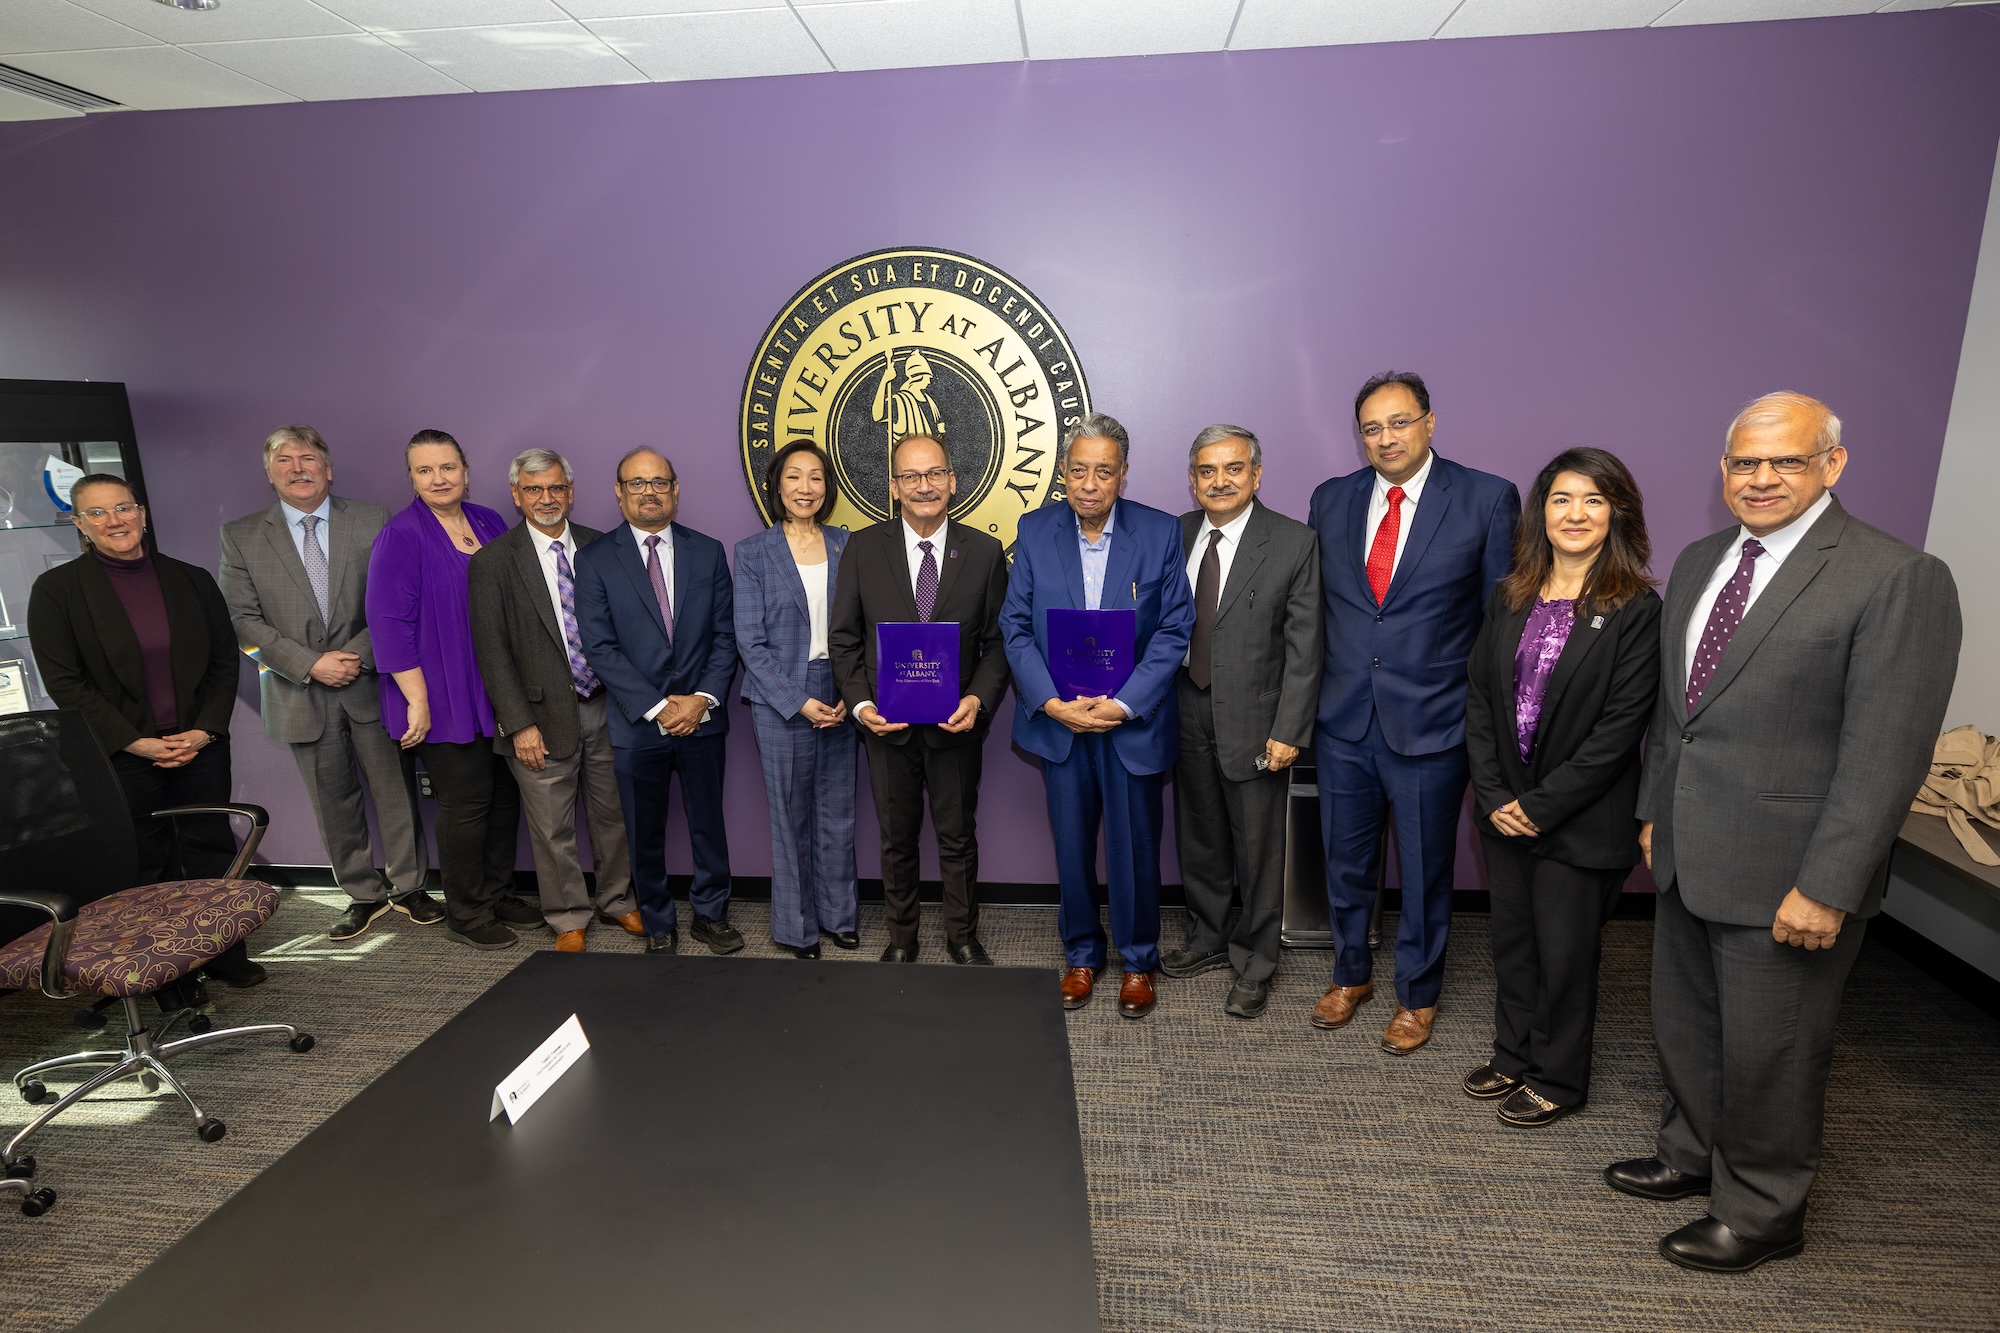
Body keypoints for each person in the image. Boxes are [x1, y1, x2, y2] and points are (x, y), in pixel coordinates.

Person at [1608, 393, 1960, 1273]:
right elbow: (1674, 714)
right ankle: (1693, 1153)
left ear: (1831, 466)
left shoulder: (1894, 576)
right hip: (1689, 848)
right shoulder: (1697, 562)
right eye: (1743, 462)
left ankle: (1763, 1211)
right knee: (1687, 1022)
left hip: (1789, 871)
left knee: (1773, 1046)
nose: (1760, 478)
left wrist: (1831, 883)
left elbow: (1885, 752)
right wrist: (1655, 812)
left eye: (1786, 461)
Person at [1306, 371, 1519, 1054]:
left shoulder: (1486, 499)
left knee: (1426, 869)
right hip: (1344, 720)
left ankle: (1417, 994)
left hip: (1433, 723)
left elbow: (1499, 622)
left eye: (1399, 422)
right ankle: (1351, 973)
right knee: (1345, 863)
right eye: (1372, 427)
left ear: (1429, 422)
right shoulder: (1331, 500)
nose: (1386, 437)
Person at [1462, 448, 1662, 1126]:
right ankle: (1512, 1054)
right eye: (1561, 499)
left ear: (1616, 513)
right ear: (1540, 512)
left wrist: (1541, 805)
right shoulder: (1509, 593)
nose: (1575, 514)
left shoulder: (1636, 609)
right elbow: (1481, 701)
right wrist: (1493, 794)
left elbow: (1619, 729)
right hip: (1505, 811)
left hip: (1580, 819)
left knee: (1566, 953)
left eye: (1593, 500)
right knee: (1514, 941)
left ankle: (1558, 1076)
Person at [27, 473, 263, 990]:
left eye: (123, 507)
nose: (115, 520)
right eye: (97, 513)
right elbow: (66, 682)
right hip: (121, 754)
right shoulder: (58, 591)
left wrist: (203, 731)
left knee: (209, 848)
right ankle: (160, 974)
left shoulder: (191, 579)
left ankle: (223, 952)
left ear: (142, 513)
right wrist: (137, 742)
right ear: (79, 524)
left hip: (198, 745)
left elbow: (225, 662)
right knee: (144, 862)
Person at [1001, 413, 1195, 1017]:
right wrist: (1053, 703)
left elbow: (1173, 629)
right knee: (1072, 845)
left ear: (1123, 476)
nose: (1089, 483)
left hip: (1127, 721)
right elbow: (1015, 625)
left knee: (1136, 848)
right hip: (1060, 721)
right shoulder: (1033, 531)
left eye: (1103, 471)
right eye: (1078, 469)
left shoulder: (1161, 533)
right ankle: (1082, 955)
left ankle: (1139, 961)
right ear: (1062, 473)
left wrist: (1123, 702)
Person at [219, 425, 440, 943]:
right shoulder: (242, 535)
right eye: (285, 460)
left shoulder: (372, 519)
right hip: (297, 691)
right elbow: (240, 623)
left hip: (372, 682)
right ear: (269, 473)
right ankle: (362, 893)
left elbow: (399, 598)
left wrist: (357, 656)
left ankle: (409, 887)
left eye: (309, 458)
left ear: (328, 467)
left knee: (396, 792)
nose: (298, 468)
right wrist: (310, 664)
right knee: (331, 801)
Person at [829, 434, 1011, 964]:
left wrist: (977, 700)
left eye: (933, 474)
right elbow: (843, 639)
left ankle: (962, 935)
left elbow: (998, 642)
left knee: (957, 837)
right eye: (910, 477)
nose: (923, 486)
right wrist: (862, 708)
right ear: (893, 487)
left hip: (956, 724)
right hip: (886, 727)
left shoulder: (982, 551)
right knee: (896, 839)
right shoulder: (862, 549)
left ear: (953, 481)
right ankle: (901, 938)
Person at [1162, 425, 1321, 1019]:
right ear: (1193, 479)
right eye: (1207, 471)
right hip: (1183, 707)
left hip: (1259, 718)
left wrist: (1290, 729)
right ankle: (1206, 936)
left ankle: (1256, 958)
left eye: (1233, 469)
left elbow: (1307, 646)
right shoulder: (1171, 535)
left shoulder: (1293, 542)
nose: (1220, 481)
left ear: (1256, 474)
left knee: (1257, 847)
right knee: (1198, 834)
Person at [367, 430, 538, 951]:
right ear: (412, 479)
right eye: (425, 470)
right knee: (467, 804)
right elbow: (388, 623)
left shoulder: (487, 520)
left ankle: (496, 889)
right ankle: (466, 911)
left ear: (465, 471)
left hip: (492, 687)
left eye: (447, 468)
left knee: (505, 797)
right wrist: (418, 700)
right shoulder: (401, 535)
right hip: (438, 692)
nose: (438, 479)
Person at [469, 449, 642, 953]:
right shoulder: (493, 562)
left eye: (556, 488)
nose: (547, 499)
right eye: (534, 489)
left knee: (614, 816)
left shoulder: (602, 546)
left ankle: (619, 900)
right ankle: (568, 916)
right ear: (516, 495)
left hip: (609, 707)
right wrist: (519, 724)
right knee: (551, 827)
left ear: (570, 490)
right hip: (539, 719)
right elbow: (492, 650)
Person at [573, 448, 743, 956]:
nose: (649, 492)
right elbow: (598, 646)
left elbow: (725, 635)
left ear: (675, 489)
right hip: (637, 725)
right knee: (642, 832)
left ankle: (711, 916)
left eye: (659, 482)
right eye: (637, 483)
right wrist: (658, 707)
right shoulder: (596, 558)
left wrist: (701, 700)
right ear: (619, 492)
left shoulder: (708, 551)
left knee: (708, 825)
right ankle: (658, 919)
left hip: (702, 719)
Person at [734, 442, 857, 960]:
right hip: (780, 694)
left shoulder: (847, 544)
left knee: (838, 812)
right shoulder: (753, 552)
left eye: (816, 478)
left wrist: (856, 692)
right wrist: (798, 701)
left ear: (827, 488)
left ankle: (839, 917)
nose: (806, 488)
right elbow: (750, 642)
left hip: (842, 687)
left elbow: (863, 627)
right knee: (789, 815)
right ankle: (797, 927)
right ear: (777, 485)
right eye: (794, 477)